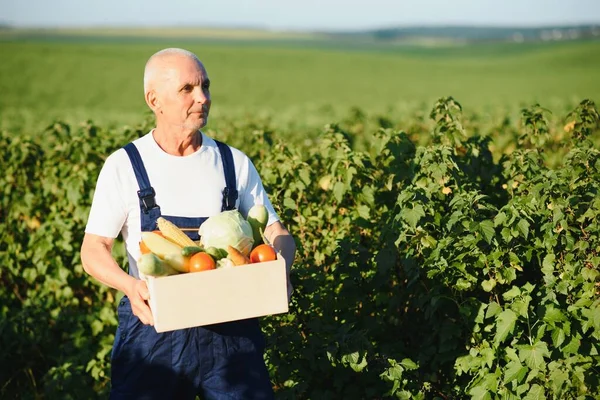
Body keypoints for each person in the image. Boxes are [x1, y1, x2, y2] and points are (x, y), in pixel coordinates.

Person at [80, 47, 296, 399]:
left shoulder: (232, 162)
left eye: (206, 87)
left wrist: (280, 267)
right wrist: (129, 287)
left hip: (232, 333)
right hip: (155, 332)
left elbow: (276, 231)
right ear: (154, 99)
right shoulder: (125, 165)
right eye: (188, 89)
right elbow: (93, 249)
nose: (203, 98)